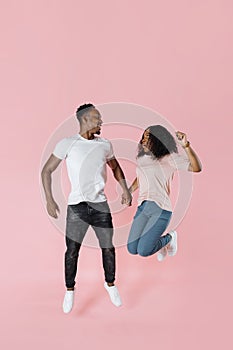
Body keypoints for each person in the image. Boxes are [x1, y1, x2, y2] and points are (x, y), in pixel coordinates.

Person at [41, 103, 132, 313]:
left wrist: (125, 189)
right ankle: (69, 290)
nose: (101, 121)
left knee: (108, 248)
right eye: (97, 118)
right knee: (72, 251)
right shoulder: (67, 144)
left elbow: (116, 167)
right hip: (77, 208)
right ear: (84, 120)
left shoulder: (105, 144)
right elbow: (47, 170)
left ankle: (110, 284)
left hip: (100, 205)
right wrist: (49, 199)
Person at [126, 125, 202, 261]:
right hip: (142, 207)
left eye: (147, 138)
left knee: (144, 251)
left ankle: (170, 238)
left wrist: (186, 146)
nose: (143, 140)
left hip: (160, 209)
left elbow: (196, 167)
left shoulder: (169, 158)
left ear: (157, 140)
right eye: (143, 137)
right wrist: (129, 191)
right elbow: (141, 177)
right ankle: (161, 244)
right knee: (132, 248)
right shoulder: (142, 158)